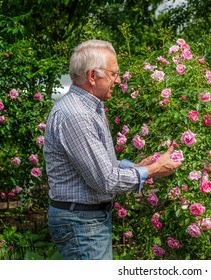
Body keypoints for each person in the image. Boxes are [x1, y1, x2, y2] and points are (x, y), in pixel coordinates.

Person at [43, 39, 182, 260]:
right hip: (82, 224)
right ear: (92, 76)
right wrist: (153, 169)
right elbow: (105, 180)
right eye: (114, 74)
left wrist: (135, 167)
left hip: (85, 220)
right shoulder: (77, 115)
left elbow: (99, 165)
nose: (118, 80)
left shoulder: (90, 107)